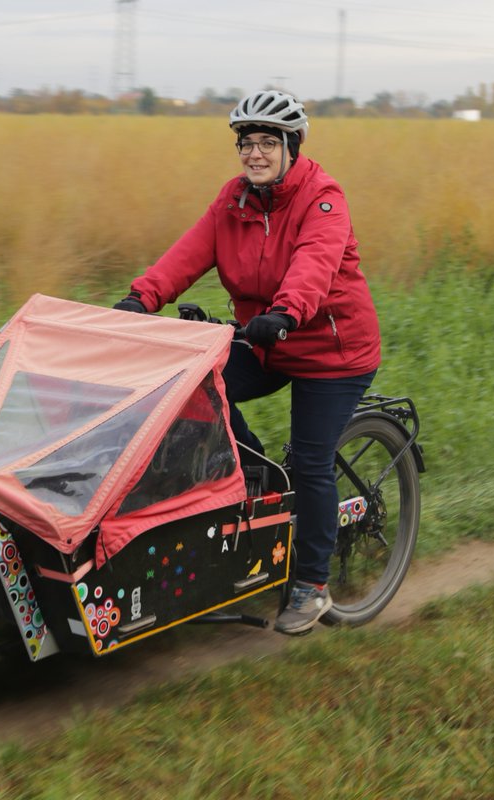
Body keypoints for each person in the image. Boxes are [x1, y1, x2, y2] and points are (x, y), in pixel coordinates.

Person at [112, 89, 381, 635]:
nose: (254, 154)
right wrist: (142, 298)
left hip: (332, 351)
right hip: (267, 341)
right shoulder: (233, 201)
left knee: (310, 462)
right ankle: (255, 483)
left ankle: (311, 585)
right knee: (191, 389)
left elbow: (315, 264)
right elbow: (188, 252)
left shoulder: (323, 199)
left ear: (291, 145)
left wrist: (285, 312)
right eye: (246, 143)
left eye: (266, 143)